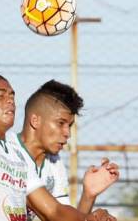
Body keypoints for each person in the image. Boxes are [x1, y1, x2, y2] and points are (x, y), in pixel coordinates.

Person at [0, 73, 117, 221]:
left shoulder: (18, 157)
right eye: (1, 96)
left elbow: (54, 211)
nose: (10, 101)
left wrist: (88, 218)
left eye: (12, 96)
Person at [13, 79, 119, 220]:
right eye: (61, 123)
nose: (67, 133)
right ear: (35, 120)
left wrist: (88, 195)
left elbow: (63, 217)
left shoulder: (54, 162)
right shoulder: (8, 153)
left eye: (69, 125)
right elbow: (56, 215)